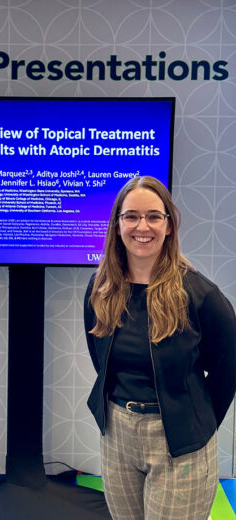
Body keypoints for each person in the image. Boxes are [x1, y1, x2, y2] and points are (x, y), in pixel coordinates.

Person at [84, 176, 236, 520]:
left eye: (154, 216)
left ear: (169, 225)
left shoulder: (201, 296)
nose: (143, 226)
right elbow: (100, 359)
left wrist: (197, 424)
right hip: (117, 436)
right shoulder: (101, 288)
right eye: (132, 216)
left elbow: (228, 371)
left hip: (180, 444)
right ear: (117, 225)